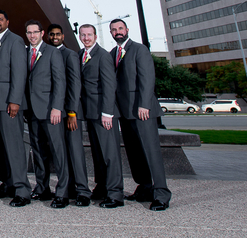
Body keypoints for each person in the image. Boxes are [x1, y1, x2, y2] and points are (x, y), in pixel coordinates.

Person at [110, 19, 170, 211]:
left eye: (120, 28)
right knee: (135, 153)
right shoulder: (113, 54)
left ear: (127, 30)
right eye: (114, 30)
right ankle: (145, 187)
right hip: (125, 112)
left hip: (142, 111)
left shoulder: (139, 49)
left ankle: (161, 194)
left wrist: (144, 104)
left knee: (151, 152)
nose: (117, 32)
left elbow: (147, 77)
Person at [0, 9, 31, 207]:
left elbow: (20, 72)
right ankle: (8, 183)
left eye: (0, 19)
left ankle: (22, 190)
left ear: (7, 21)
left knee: (14, 148)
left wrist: (15, 100)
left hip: (10, 104)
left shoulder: (16, 41)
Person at [24, 20, 69, 208]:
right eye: (29, 32)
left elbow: (60, 81)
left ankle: (63, 192)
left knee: (58, 153)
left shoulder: (52, 52)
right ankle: (42, 188)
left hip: (51, 111)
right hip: (33, 112)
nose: (32, 35)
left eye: (36, 32)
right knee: (38, 152)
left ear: (42, 33)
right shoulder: (25, 53)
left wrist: (57, 107)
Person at [78, 23, 124, 208]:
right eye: (83, 35)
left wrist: (107, 113)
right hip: (91, 113)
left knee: (110, 154)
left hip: (103, 114)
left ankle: (115, 194)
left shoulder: (103, 55)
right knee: (98, 153)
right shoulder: (82, 55)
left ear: (95, 36)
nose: (86, 38)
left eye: (89, 35)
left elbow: (109, 86)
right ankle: (103, 186)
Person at [47, 23, 90, 207]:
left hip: (70, 113)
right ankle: (69, 187)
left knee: (75, 151)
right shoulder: (48, 53)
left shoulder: (70, 54)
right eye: (52, 34)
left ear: (63, 36)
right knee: (62, 153)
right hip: (56, 112)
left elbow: (75, 84)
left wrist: (72, 112)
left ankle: (83, 191)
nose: (55, 37)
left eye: (58, 34)